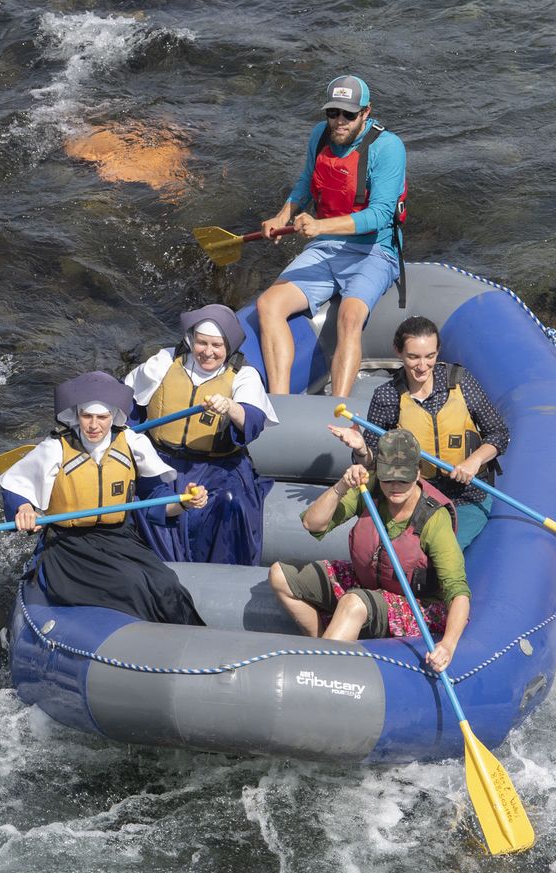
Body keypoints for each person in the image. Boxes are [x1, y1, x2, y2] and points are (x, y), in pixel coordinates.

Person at [0, 371, 208, 625]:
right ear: (77, 416)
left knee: (168, 586)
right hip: (69, 544)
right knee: (130, 585)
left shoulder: (132, 444)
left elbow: (157, 500)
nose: (94, 425)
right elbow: (14, 485)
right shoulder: (54, 448)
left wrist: (184, 503)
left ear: (114, 417)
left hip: (120, 538)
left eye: (102, 417)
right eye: (87, 416)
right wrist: (24, 508)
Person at [268, 429, 470, 672]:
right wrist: (342, 486)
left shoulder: (433, 518)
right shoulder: (370, 488)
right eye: (387, 479)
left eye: (403, 479)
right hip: (370, 585)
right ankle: (324, 648)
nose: (395, 487)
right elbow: (312, 523)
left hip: (417, 604)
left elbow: (458, 591)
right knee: (280, 575)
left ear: (418, 473)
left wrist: (448, 645)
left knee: (354, 602)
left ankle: (319, 669)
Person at [257, 74, 407, 398]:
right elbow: (306, 181)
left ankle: (336, 410)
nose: (339, 121)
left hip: (374, 252)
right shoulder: (320, 135)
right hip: (326, 247)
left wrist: (320, 226)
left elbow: (380, 215)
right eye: (333, 113)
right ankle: (280, 404)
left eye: (349, 115)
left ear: (366, 113)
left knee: (349, 316)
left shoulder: (388, 147)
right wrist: (283, 215)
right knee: (268, 304)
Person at [328, 316, 508, 549]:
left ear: (438, 351)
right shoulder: (387, 396)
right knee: (407, 552)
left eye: (430, 356)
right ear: (398, 352)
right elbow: (372, 462)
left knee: (442, 550)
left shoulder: (461, 382)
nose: (422, 366)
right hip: (416, 495)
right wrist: (362, 448)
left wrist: (474, 461)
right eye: (413, 357)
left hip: (467, 496)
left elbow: (498, 433)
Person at [124, 303, 278, 565]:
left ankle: (219, 575)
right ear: (190, 339)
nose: (208, 352)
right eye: (202, 343)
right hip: (159, 461)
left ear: (228, 345)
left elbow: (252, 420)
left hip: (218, 468)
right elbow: (127, 404)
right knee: (143, 502)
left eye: (216, 346)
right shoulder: (164, 362)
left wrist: (231, 407)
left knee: (230, 504)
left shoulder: (244, 375)